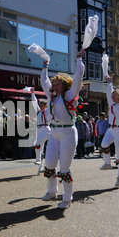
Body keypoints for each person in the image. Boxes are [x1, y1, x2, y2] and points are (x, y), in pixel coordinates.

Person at [39, 49, 85, 209]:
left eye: (57, 84)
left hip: (68, 133)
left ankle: (67, 197)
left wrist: (79, 60)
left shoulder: (70, 95)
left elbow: (78, 78)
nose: (54, 86)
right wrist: (45, 65)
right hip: (54, 133)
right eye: (54, 84)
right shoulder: (52, 97)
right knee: (50, 163)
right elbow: (44, 82)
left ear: (64, 85)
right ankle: (51, 191)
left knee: (64, 167)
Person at [31, 90, 50, 174]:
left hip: (46, 128)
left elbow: (50, 103)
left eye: (42, 105)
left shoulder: (47, 111)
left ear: (45, 106)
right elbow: (34, 103)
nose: (40, 106)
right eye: (40, 105)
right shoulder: (39, 111)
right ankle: (41, 167)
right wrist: (32, 94)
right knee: (40, 147)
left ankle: (38, 159)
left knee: (37, 143)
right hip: (39, 129)